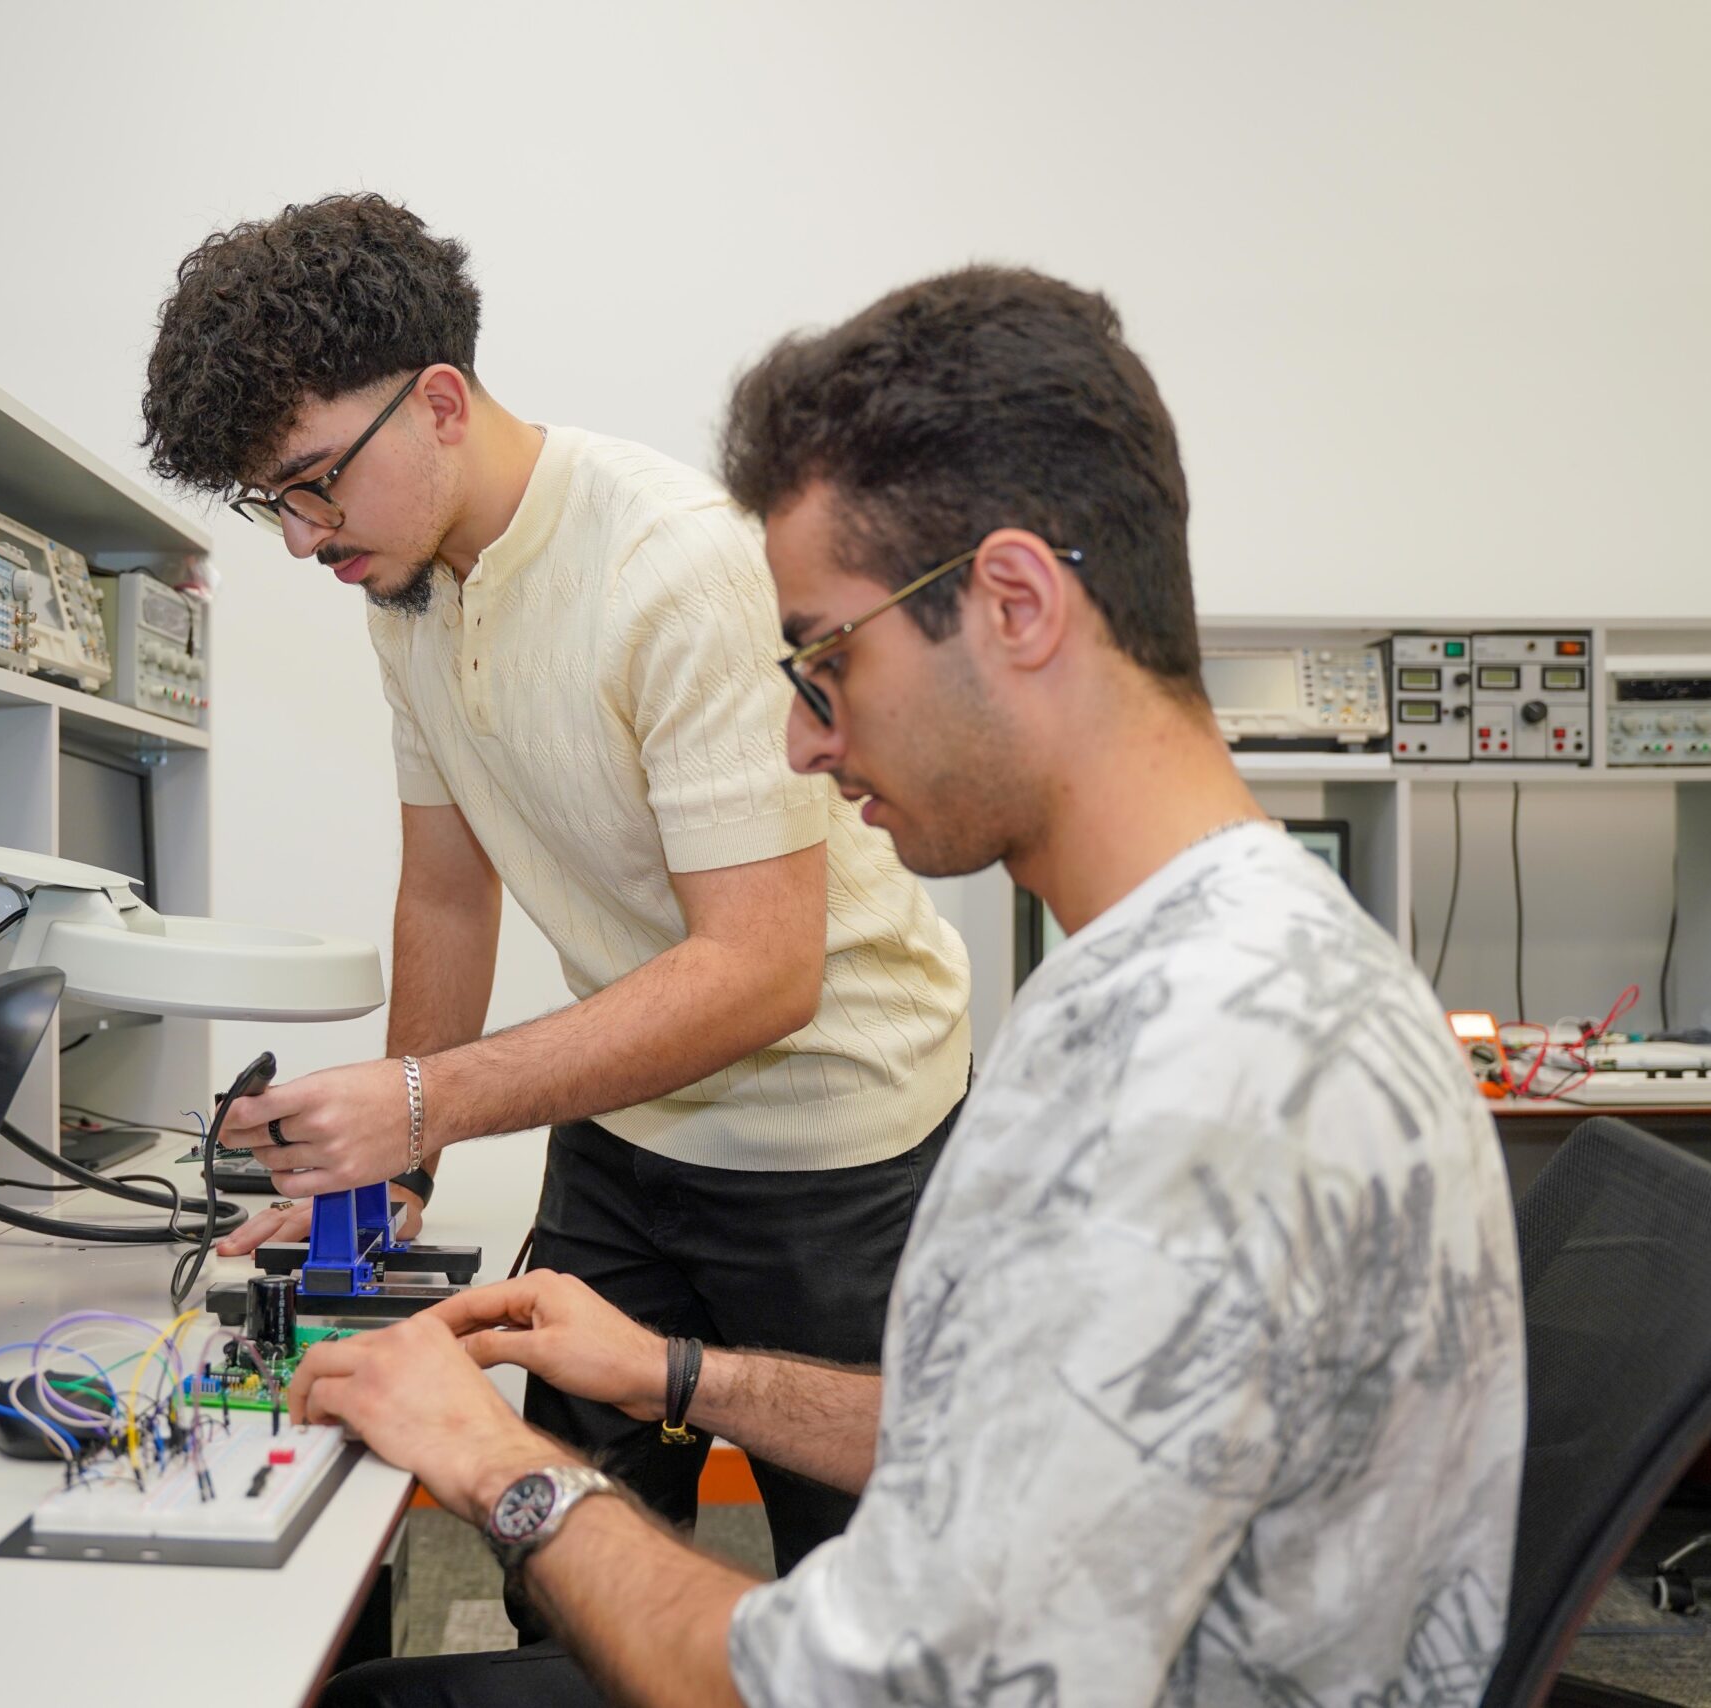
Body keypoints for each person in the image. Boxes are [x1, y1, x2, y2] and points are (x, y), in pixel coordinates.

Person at [293, 265, 1527, 1708]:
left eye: (827, 655)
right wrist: (680, 1375)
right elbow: (1010, 1439)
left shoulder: (1194, 1083)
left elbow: (862, 1685)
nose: (803, 743)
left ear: (1014, 604)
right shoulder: (1198, 975)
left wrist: (494, 1458)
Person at [139, 193, 974, 1575]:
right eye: (268, 500)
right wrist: (401, 1167)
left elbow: (763, 969)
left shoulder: (674, 569)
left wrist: (420, 1099)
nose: (297, 536)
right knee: (561, 1561)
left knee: (871, 1595)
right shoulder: (407, 592)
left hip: (835, 1155)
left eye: (312, 481)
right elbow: (445, 892)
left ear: (440, 404)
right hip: (623, 1129)